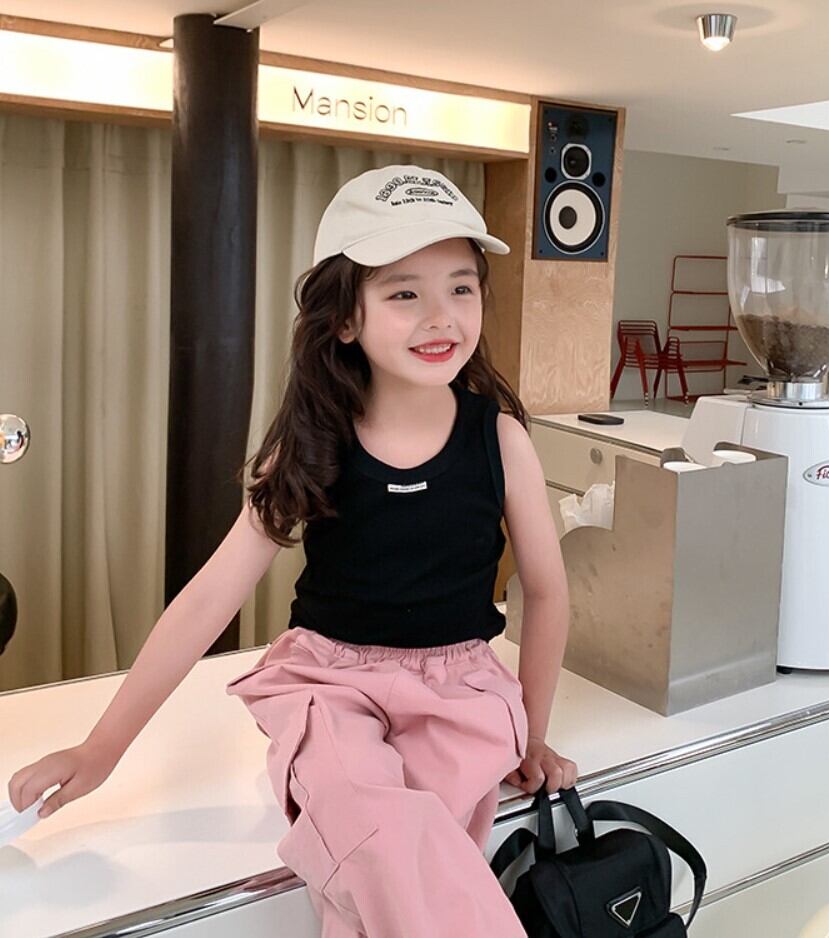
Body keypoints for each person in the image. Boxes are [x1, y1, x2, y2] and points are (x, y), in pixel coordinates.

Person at [8, 165, 574, 937]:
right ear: (343, 320)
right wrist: (101, 749)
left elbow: (547, 589)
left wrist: (533, 734)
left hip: (461, 690)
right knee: (381, 832)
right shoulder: (311, 444)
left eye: (461, 288)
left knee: (388, 876)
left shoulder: (501, 438)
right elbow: (209, 598)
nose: (441, 315)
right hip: (330, 686)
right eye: (404, 293)